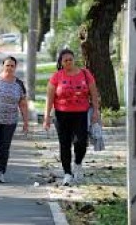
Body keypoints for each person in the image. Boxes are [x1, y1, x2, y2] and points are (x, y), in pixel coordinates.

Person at [43, 48, 99, 186]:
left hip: (81, 114)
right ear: (61, 62)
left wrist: (96, 112)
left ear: (74, 60)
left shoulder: (85, 74)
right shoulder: (56, 77)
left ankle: (78, 164)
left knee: (81, 142)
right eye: (65, 60)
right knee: (65, 144)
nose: (68, 62)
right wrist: (46, 117)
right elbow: (49, 99)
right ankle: (67, 173)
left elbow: (94, 94)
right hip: (62, 115)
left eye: (70, 59)